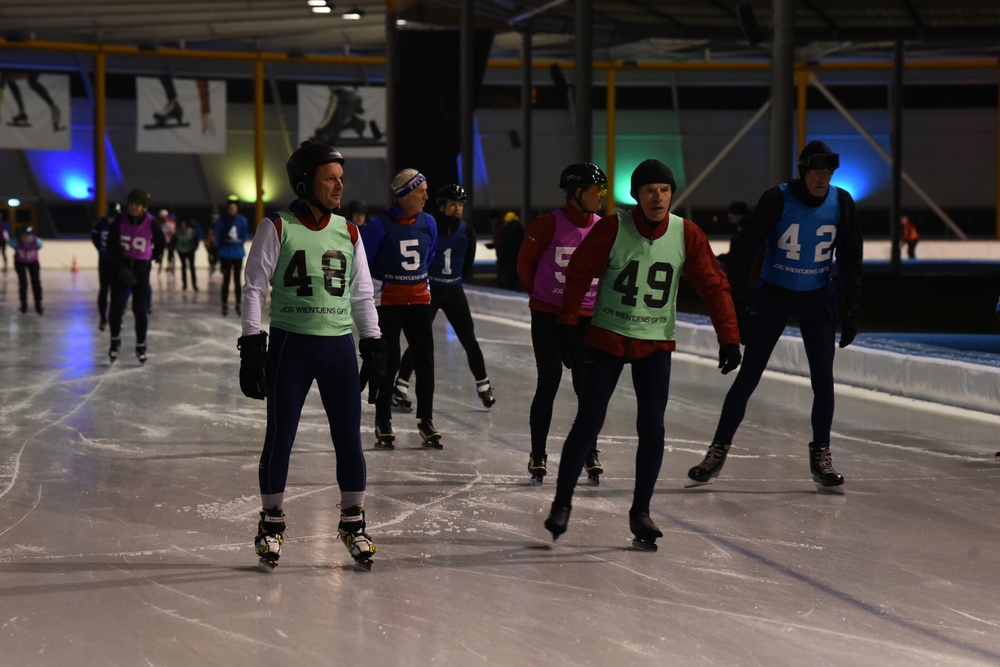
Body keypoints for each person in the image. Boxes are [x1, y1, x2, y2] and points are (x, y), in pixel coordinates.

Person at [542, 159, 742, 549]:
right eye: (650, 190)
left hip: (654, 344)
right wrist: (566, 324)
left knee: (653, 427)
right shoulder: (613, 227)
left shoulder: (686, 233)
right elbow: (579, 271)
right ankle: (562, 502)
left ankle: (641, 512)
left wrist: (729, 338)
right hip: (607, 339)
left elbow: (714, 285)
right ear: (636, 195)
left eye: (664, 190)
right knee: (589, 421)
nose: (658, 197)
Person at [239, 140, 386, 570]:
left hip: (339, 347)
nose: (339, 186)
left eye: (341, 178)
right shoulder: (277, 227)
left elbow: (362, 294)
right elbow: (254, 289)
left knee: (349, 438)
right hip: (292, 346)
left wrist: (373, 342)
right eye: (330, 179)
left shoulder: (350, 231)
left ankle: (353, 523)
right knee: (280, 436)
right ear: (305, 183)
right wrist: (252, 344)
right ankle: (271, 525)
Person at [685, 139, 863, 495]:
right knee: (749, 376)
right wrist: (739, 302)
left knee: (823, 380)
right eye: (817, 172)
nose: (822, 179)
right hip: (774, 298)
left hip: (818, 301)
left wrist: (852, 308)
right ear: (803, 171)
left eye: (828, 173)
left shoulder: (842, 202)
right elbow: (746, 249)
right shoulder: (777, 198)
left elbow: (851, 256)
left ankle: (822, 455)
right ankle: (717, 451)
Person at [517, 163, 607, 485]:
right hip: (548, 317)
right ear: (577, 192)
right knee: (550, 379)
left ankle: (589, 451)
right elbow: (524, 265)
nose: (602, 196)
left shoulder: (603, 227)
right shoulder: (546, 224)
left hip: (586, 318)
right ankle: (538, 453)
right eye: (598, 190)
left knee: (587, 386)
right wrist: (544, 298)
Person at [393, 184, 496, 412]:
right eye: (453, 204)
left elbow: (467, 263)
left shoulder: (467, 231)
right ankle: (400, 386)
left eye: (460, 205)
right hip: (429, 290)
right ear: (442, 206)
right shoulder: (430, 226)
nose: (457, 208)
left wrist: (454, 281)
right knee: (419, 340)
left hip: (453, 291)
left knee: (469, 339)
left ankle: (483, 385)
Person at [360, 168, 441, 448]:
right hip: (388, 304)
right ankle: (382, 420)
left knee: (425, 362)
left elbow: (429, 258)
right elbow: (364, 265)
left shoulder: (429, 223)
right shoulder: (378, 227)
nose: (426, 197)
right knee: (389, 362)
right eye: (421, 192)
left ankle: (426, 420)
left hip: (419, 302)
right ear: (405, 195)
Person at [107, 188, 166, 363]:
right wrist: (120, 269)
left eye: (138, 204)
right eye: (132, 204)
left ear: (144, 206)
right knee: (116, 307)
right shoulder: (120, 220)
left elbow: (161, 243)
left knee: (139, 308)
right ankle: (114, 341)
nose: (134, 207)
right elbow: (111, 246)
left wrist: (150, 258)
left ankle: (141, 345)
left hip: (141, 269)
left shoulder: (151, 222)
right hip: (121, 267)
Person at [215, 195, 249, 316]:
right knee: (226, 280)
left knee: (237, 280)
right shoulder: (222, 221)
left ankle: (238, 304)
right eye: (231, 207)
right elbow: (217, 236)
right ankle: (224, 304)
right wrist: (222, 248)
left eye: (234, 207)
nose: (232, 209)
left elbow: (244, 236)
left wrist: (236, 246)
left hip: (237, 254)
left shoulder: (242, 220)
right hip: (225, 254)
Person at [92, 201, 120, 329]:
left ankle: (116, 317)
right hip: (104, 261)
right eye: (110, 216)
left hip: (118, 262)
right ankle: (103, 318)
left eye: (115, 216)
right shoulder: (100, 224)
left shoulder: (122, 224)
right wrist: (102, 250)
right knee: (104, 289)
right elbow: (95, 239)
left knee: (116, 291)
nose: (112, 219)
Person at [11, 225, 44, 314]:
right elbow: (10, 243)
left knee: (36, 282)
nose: (25, 238)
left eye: (27, 235)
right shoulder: (15, 242)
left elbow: (39, 246)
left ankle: (38, 304)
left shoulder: (37, 242)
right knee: (23, 283)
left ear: (31, 235)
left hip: (33, 262)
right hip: (20, 263)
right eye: (23, 235)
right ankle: (23, 304)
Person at [495, 211, 524, 291]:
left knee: (506, 278)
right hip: (517, 258)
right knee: (515, 278)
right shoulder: (520, 228)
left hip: (508, 259)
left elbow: (506, 244)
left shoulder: (508, 229)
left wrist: (501, 256)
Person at [175, 218, 202, 291]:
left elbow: (196, 240)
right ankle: (184, 285)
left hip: (190, 251)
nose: (183, 229)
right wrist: (176, 248)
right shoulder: (178, 234)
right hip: (181, 251)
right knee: (183, 267)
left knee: (192, 267)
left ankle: (194, 285)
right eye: (182, 228)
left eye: (184, 228)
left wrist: (195, 248)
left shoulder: (191, 232)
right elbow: (174, 241)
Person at [157, 209, 177, 274]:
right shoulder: (159, 223)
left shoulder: (170, 222)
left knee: (170, 255)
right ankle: (160, 267)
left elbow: (173, 231)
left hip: (170, 241)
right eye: (162, 217)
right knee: (161, 254)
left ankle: (171, 266)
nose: (163, 218)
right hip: (162, 241)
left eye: (164, 217)